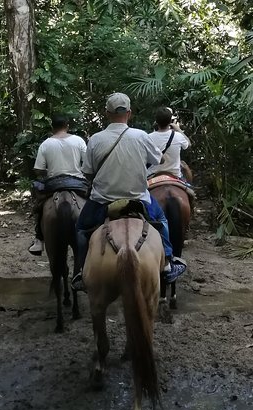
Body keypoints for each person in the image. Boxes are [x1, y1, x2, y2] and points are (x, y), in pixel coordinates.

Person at [71, 93, 187, 291]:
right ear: (129, 113)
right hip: (138, 198)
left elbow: (88, 173)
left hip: (102, 200)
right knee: (163, 221)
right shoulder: (141, 136)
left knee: (81, 230)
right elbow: (158, 160)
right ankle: (167, 263)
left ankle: (81, 271)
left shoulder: (96, 139)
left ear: (107, 113)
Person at [28, 115, 88, 255]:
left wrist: (47, 172)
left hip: (53, 183)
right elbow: (87, 164)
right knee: (93, 199)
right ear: (67, 126)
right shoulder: (78, 141)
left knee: (40, 205)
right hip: (77, 182)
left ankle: (39, 238)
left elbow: (38, 169)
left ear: (52, 128)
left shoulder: (46, 144)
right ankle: (93, 232)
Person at [147, 106, 190, 180]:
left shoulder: (148, 138)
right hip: (175, 175)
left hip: (152, 175)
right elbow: (188, 145)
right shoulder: (178, 136)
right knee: (189, 188)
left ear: (156, 121)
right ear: (170, 121)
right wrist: (178, 129)